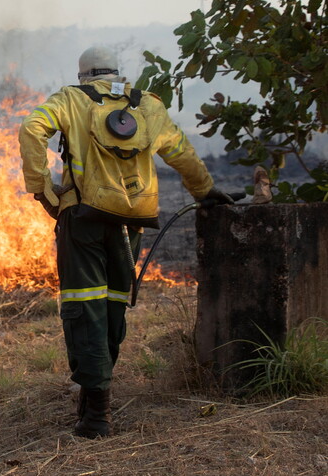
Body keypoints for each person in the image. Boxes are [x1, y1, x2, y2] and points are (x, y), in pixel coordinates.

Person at [18, 46, 233, 439]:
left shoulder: (71, 99)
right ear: (117, 72)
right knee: (114, 305)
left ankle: (96, 412)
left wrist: (43, 191)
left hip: (83, 219)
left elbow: (32, 128)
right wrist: (205, 191)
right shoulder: (147, 105)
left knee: (86, 307)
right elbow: (180, 152)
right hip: (131, 222)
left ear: (84, 75)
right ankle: (94, 396)